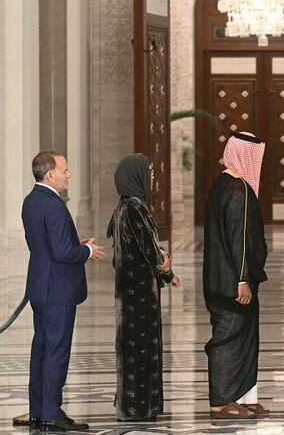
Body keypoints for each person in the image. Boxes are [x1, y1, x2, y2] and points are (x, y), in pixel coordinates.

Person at [23, 151, 105, 432]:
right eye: (65, 170)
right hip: (57, 290)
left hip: (41, 287)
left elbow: (44, 245)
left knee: (42, 350)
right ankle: (51, 413)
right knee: (56, 351)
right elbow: (61, 252)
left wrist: (75, 243)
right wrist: (87, 250)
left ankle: (38, 409)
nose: (68, 174)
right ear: (50, 175)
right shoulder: (55, 205)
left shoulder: (32, 200)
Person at [106, 153, 181, 421]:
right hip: (138, 294)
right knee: (140, 348)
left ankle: (135, 405)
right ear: (135, 176)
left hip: (130, 292)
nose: (151, 177)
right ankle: (138, 407)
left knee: (133, 348)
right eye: (147, 172)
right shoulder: (135, 209)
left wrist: (163, 270)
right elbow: (150, 251)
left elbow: (139, 248)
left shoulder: (123, 207)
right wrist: (167, 270)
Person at [203, 132, 269, 419]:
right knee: (227, 341)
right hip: (232, 283)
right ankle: (220, 401)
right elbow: (239, 239)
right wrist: (243, 279)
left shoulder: (222, 183)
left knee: (244, 340)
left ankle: (243, 397)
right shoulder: (238, 190)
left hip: (220, 280)